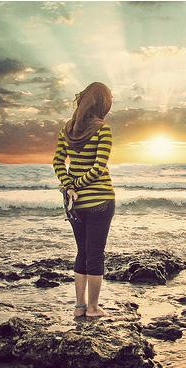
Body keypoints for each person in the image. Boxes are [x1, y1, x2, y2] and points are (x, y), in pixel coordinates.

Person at [52, 82, 115, 318]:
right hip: (100, 200)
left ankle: (79, 306)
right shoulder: (103, 129)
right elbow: (99, 167)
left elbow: (58, 162)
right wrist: (75, 186)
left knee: (82, 252)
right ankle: (93, 307)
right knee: (96, 253)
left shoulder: (67, 130)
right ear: (103, 104)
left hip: (75, 203)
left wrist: (69, 187)